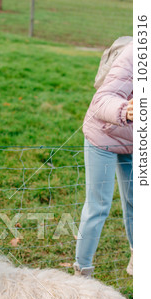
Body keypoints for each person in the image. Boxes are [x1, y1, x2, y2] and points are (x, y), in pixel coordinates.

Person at [74, 41, 133, 277]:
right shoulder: (136, 54)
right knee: (98, 206)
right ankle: (82, 272)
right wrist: (124, 110)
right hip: (104, 134)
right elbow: (102, 99)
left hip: (135, 139)